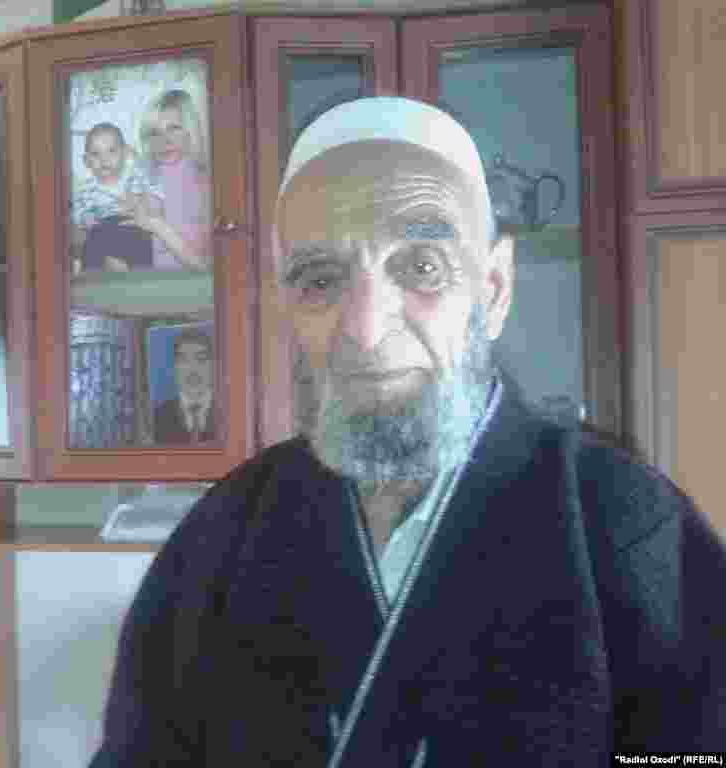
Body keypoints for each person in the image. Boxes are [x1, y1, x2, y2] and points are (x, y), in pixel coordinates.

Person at [89, 97, 726, 766]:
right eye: (320, 279)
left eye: (421, 266)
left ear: (493, 289)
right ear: (287, 306)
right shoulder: (217, 538)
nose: (366, 331)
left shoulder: (627, 528)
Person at [121, 89, 212, 271]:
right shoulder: (142, 179)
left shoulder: (206, 182)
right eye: (155, 132)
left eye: (173, 128)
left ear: (190, 131)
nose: (165, 141)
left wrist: (157, 226)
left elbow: (204, 267)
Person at [71, 121, 162, 272]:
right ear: (86, 161)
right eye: (95, 154)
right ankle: (91, 278)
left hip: (132, 227)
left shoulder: (133, 177)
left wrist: (142, 203)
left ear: (124, 153)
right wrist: (85, 218)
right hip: (102, 229)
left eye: (111, 151)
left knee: (142, 243)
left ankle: (144, 278)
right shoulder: (86, 189)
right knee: (92, 245)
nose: (104, 159)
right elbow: (77, 210)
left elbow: (151, 187)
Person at [152, 327, 217, 444]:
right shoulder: (157, 417)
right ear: (174, 368)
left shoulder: (231, 410)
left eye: (201, 359)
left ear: (213, 365)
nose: (192, 370)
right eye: (183, 361)